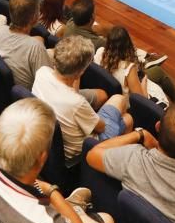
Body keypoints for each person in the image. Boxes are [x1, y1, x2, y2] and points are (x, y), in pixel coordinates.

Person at [0, 97, 132, 223]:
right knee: (106, 220)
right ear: (42, 157)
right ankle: (76, 209)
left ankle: (74, 207)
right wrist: (53, 193)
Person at [32, 35, 133, 164]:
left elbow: (72, 95)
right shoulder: (76, 103)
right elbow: (101, 127)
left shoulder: (42, 72)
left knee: (123, 117)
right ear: (80, 72)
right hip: (80, 154)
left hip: (50, 143)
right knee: (123, 108)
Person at [95, 26, 175, 107]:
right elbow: (141, 101)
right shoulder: (129, 68)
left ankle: (146, 62)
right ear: (128, 44)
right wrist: (144, 82)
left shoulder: (100, 53)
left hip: (113, 97)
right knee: (158, 72)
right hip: (127, 104)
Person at [0, 0, 55, 90]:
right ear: (34, 17)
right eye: (38, 10)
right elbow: (48, 86)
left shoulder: (0, 30)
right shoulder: (36, 48)